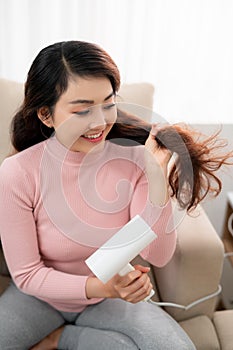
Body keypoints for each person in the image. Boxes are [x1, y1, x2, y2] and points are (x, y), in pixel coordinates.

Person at [0, 40, 231, 350]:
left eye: (108, 104)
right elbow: (27, 275)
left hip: (111, 295)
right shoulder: (18, 172)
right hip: (40, 297)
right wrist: (101, 287)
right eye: (82, 110)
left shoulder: (134, 160)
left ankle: (62, 339)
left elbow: (158, 255)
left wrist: (156, 178)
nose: (99, 122)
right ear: (46, 114)